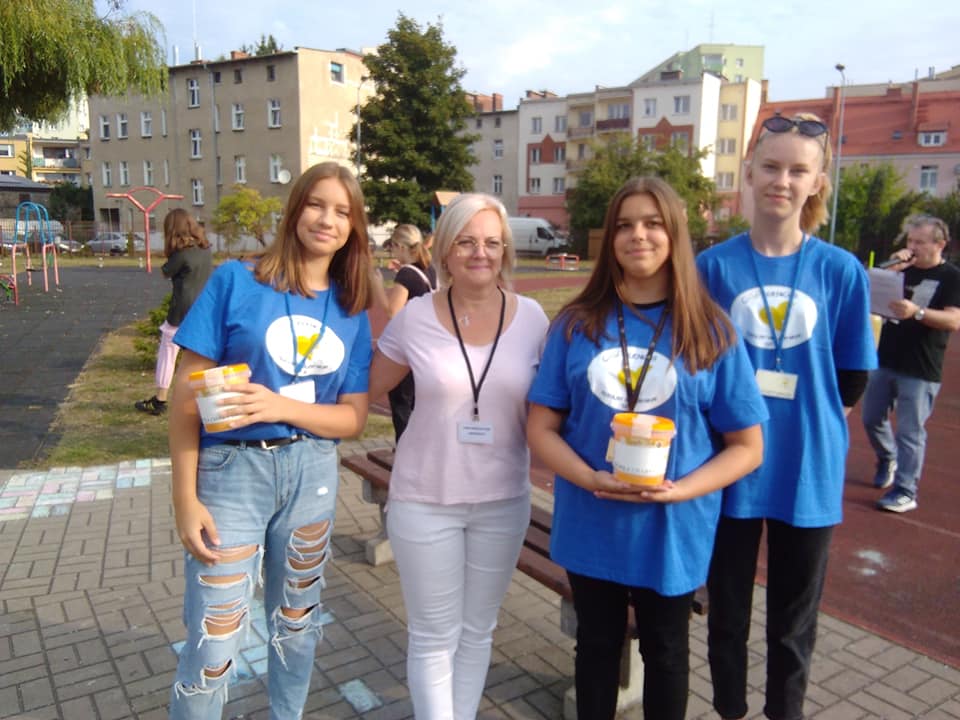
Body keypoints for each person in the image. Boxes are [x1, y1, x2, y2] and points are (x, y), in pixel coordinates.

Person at [526, 176, 767, 720]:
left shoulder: (709, 331)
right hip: (593, 517)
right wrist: (590, 478)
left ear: (675, 235)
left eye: (653, 223)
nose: (639, 235)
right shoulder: (576, 325)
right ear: (610, 238)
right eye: (625, 225)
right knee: (596, 646)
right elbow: (540, 429)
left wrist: (681, 491)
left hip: (672, 527)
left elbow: (748, 447)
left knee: (667, 650)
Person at [166, 162, 374, 719]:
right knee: (214, 639)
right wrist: (185, 499)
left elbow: (353, 418)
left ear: (353, 227)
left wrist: (283, 407)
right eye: (316, 204)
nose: (327, 219)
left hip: (312, 473)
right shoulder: (237, 281)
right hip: (232, 474)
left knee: (298, 626)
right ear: (295, 208)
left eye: (342, 211)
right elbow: (185, 396)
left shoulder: (351, 307)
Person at [696, 112, 877, 720]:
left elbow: (852, 374)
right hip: (729, 465)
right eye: (771, 167)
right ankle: (730, 710)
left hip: (807, 465)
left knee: (794, 622)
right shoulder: (713, 267)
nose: (782, 180)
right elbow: (697, 366)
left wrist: (808, 422)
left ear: (817, 182)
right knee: (726, 612)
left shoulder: (840, 270)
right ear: (748, 173)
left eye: (798, 170)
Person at [367, 193, 549, 719]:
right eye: (467, 242)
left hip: (503, 501)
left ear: (505, 250)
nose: (480, 253)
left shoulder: (533, 319)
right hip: (425, 499)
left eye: (492, 242)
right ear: (445, 250)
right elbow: (366, 389)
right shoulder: (415, 317)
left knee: (477, 631)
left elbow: (556, 405)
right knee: (433, 635)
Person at [863, 213, 960, 513]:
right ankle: (887, 457)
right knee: (871, 418)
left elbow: (954, 320)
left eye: (920, 242)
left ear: (940, 245)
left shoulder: (951, 277)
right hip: (886, 358)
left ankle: (906, 490)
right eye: (910, 241)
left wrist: (917, 312)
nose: (912, 247)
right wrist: (890, 271)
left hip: (921, 366)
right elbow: (867, 291)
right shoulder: (901, 270)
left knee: (910, 431)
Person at [135, 209, 212, 416]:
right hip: (202, 309)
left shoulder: (181, 255)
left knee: (167, 354)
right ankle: (206, 400)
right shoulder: (206, 249)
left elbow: (165, 272)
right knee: (200, 357)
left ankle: (160, 399)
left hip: (181, 311)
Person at [382, 224, 438, 440]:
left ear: (400, 247)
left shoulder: (406, 273)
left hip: (409, 349)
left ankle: (406, 449)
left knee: (402, 405)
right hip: (429, 346)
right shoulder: (429, 269)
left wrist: (377, 287)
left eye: (393, 247)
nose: (392, 252)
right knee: (421, 406)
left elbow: (393, 312)